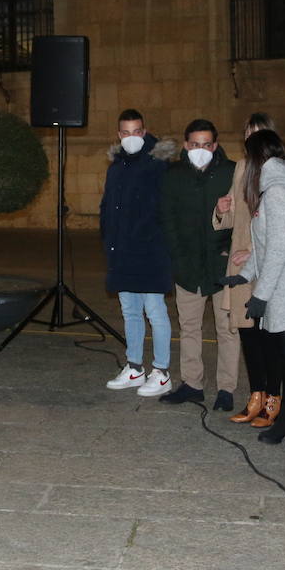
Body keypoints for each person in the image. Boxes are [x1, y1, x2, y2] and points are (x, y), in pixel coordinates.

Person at [221, 129, 285, 448]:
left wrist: (260, 296)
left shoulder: (278, 192)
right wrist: (243, 275)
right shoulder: (280, 188)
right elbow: (263, 247)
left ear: (256, 160)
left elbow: (278, 250)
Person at [159, 119, 238, 408]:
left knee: (227, 329)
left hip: (221, 266)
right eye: (194, 144)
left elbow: (240, 219)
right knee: (189, 327)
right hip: (188, 265)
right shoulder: (173, 175)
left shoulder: (231, 173)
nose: (200, 149)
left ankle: (226, 388)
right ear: (185, 145)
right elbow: (168, 219)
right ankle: (192, 383)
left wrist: (229, 253)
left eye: (206, 144)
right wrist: (178, 257)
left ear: (215, 146)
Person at [100, 109, 178, 395]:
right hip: (121, 252)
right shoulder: (116, 167)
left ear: (144, 132)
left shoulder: (158, 165)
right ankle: (134, 367)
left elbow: (166, 209)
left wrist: (156, 241)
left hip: (150, 251)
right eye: (126, 132)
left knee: (155, 312)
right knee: (129, 311)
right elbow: (107, 205)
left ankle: (162, 371)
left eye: (137, 131)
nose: (132, 137)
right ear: (119, 135)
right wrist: (108, 236)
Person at [214, 113, 279, 427]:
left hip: (269, 267)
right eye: (247, 132)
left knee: (270, 337)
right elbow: (232, 218)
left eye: (259, 133)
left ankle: (274, 399)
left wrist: (252, 251)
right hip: (240, 268)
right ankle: (256, 395)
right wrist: (221, 209)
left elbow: (281, 228)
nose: (251, 139)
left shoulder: (281, 172)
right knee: (248, 334)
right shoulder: (241, 167)